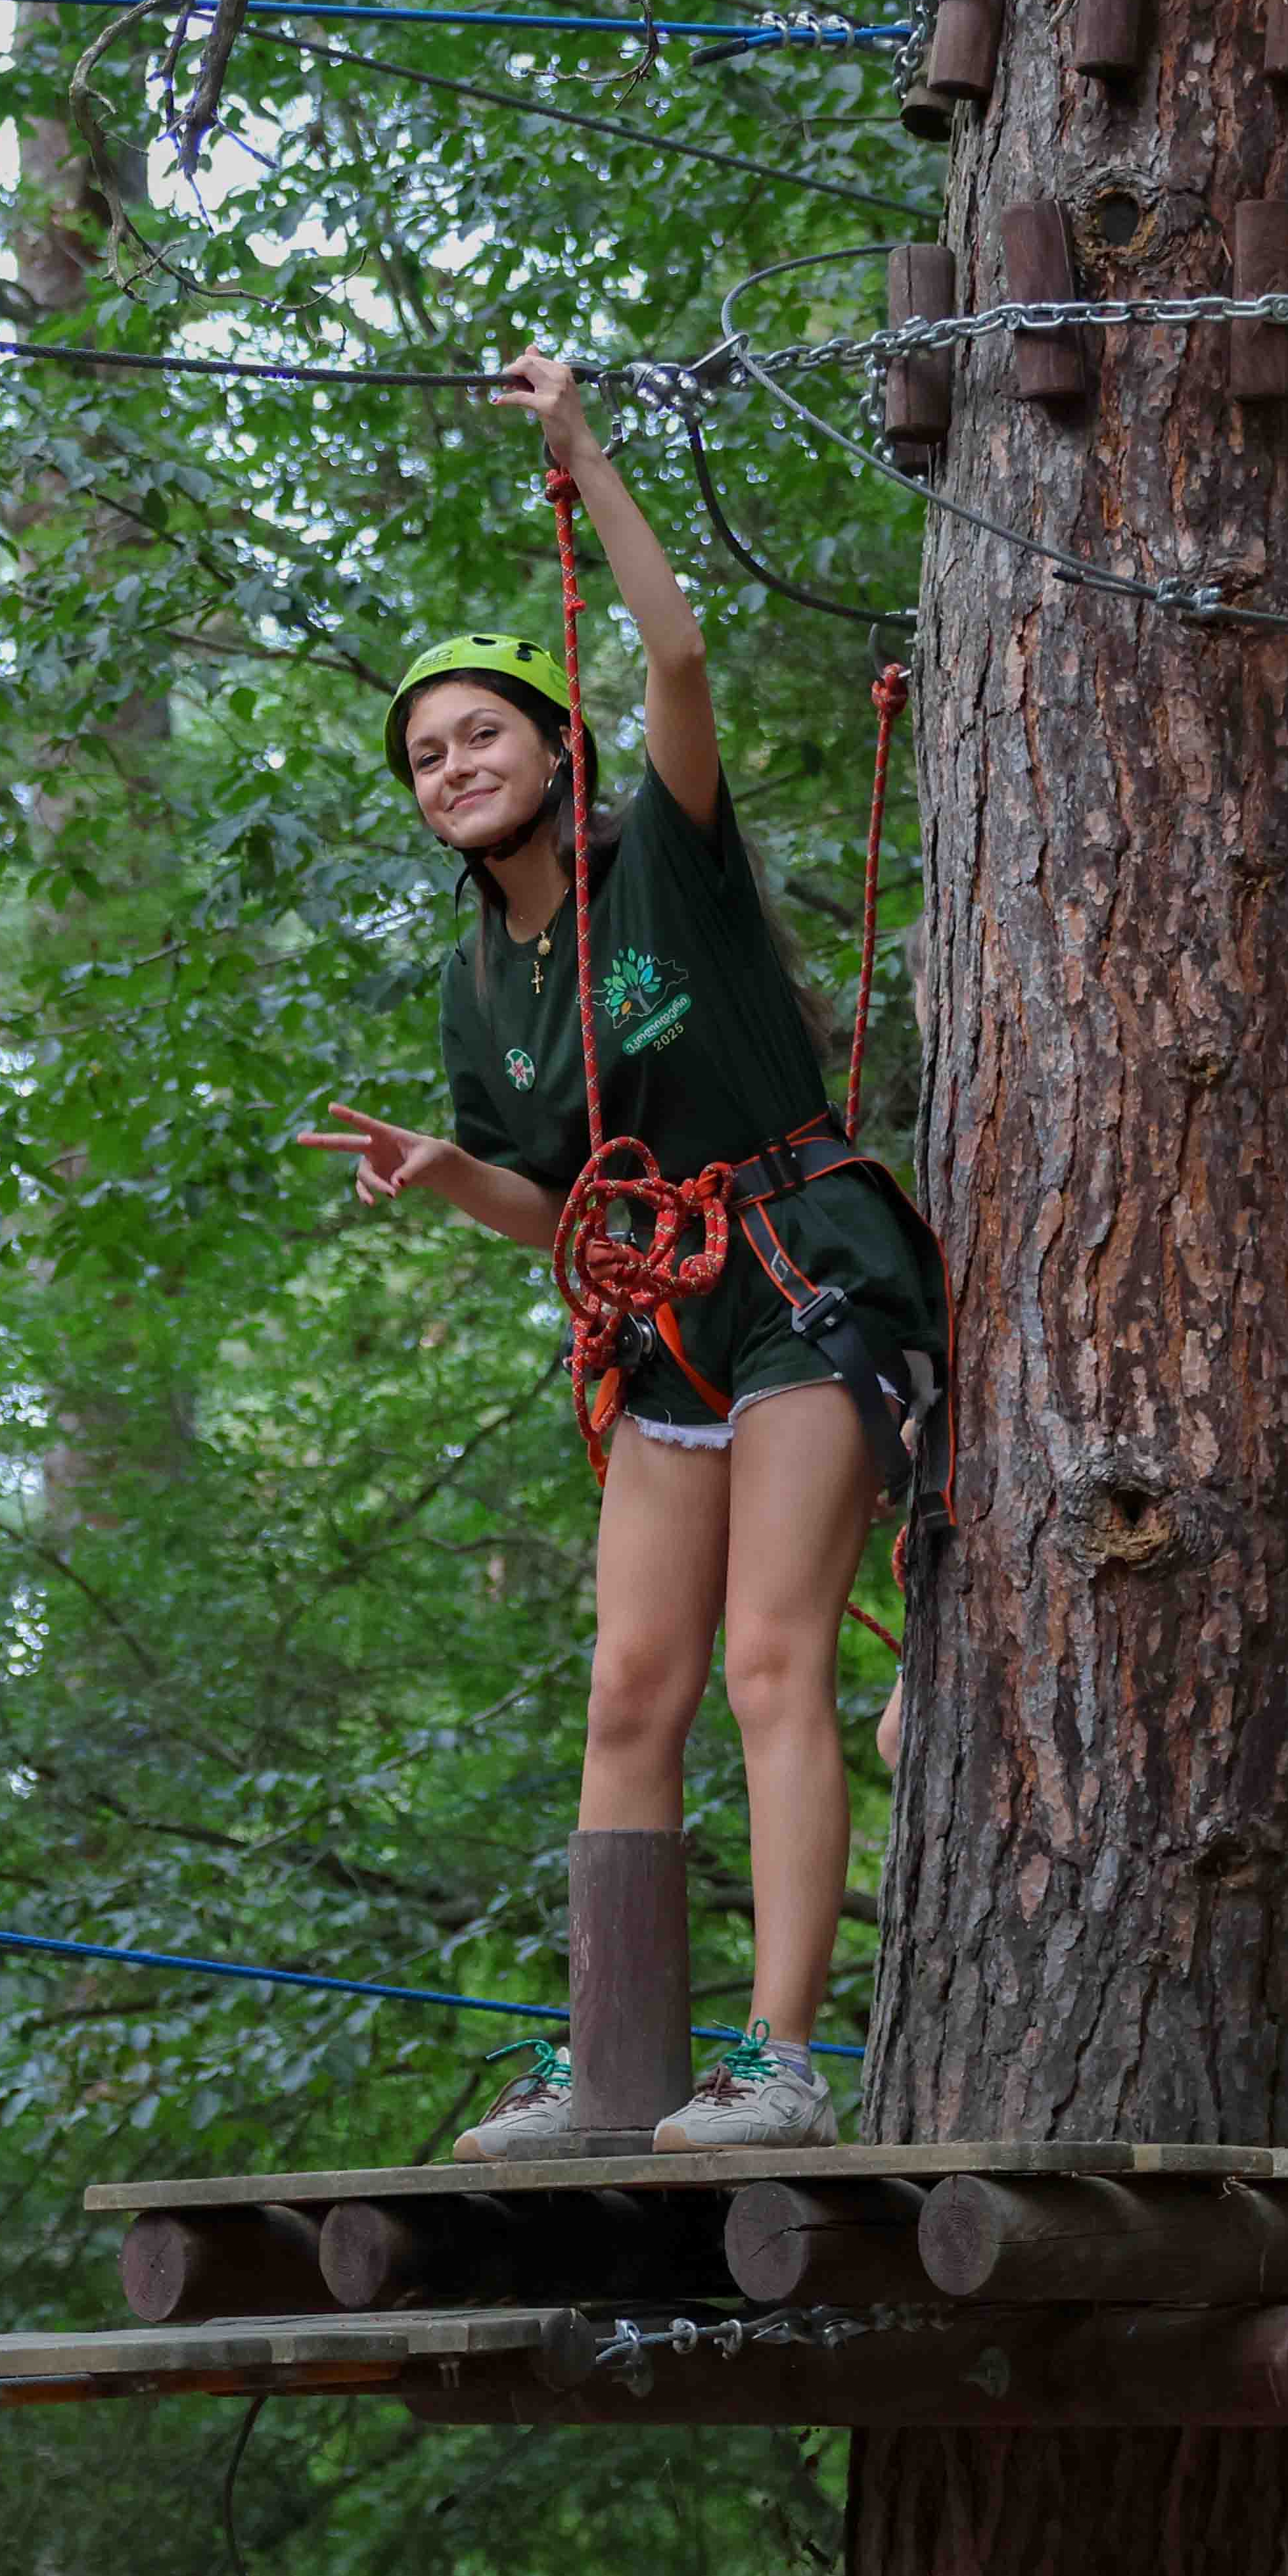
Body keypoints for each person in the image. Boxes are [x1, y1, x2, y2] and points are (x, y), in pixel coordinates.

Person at [299, 352, 940, 2155]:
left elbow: (677, 655)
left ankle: (783, 2063)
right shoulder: (478, 989)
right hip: (667, 1317)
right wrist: (450, 1172)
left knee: (768, 1661)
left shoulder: (665, 854)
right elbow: (554, 1202)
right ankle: (615, 2072)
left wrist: (583, 459)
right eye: (427, 757)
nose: (455, 767)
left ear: (554, 743)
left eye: (482, 734)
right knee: (629, 1687)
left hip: (807, 1268)